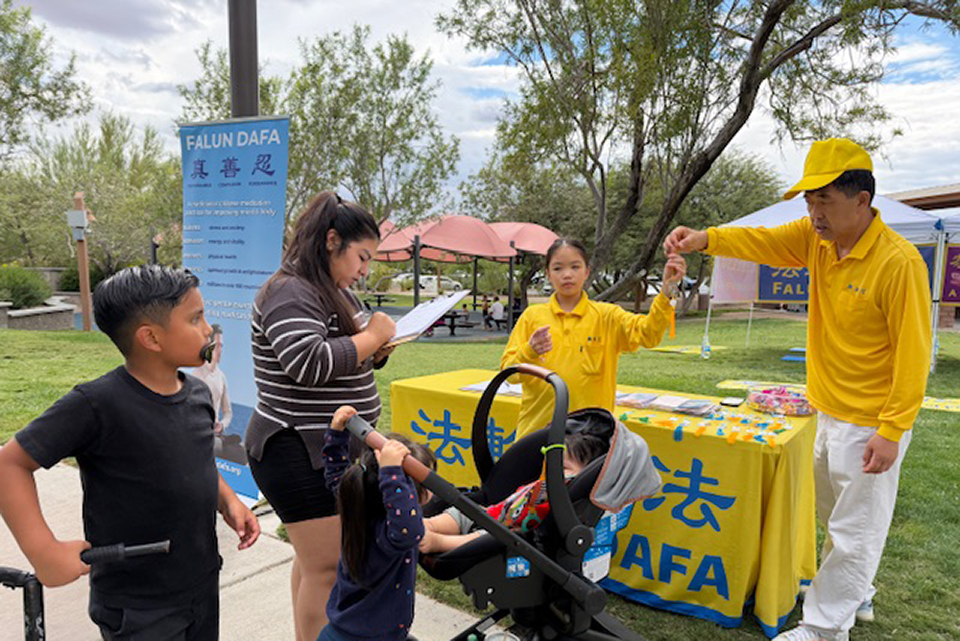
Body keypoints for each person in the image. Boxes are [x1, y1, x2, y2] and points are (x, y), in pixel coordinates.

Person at [663, 139, 932, 641]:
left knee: (855, 532)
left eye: (823, 200)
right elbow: (762, 241)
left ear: (861, 200)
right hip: (826, 410)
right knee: (837, 518)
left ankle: (824, 629)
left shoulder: (899, 264)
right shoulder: (818, 241)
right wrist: (705, 239)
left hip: (871, 420)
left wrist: (892, 430)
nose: (813, 213)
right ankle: (858, 592)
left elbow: (915, 354)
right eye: (809, 201)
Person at [0, 265, 260, 641]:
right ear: (151, 337)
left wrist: (228, 500)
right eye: (196, 318)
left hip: (200, 584)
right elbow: (10, 463)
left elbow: (196, 460)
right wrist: (45, 552)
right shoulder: (97, 405)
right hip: (138, 607)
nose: (208, 330)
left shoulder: (200, 394)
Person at [245, 191, 396, 641]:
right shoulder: (290, 290)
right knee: (327, 569)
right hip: (297, 451)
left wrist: (377, 347)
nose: (365, 270)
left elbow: (348, 350)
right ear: (332, 240)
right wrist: (373, 338)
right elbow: (308, 363)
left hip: (322, 449)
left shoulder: (330, 289)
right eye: (362, 257)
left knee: (314, 564)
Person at [501, 238, 686, 438]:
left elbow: (649, 335)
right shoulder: (532, 317)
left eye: (575, 266)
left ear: (587, 271)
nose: (567, 275)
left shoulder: (607, 316)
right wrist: (530, 351)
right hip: (537, 434)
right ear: (548, 274)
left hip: (589, 440)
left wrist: (668, 289)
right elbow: (508, 374)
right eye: (557, 268)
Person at [316, 405, 437, 641]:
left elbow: (336, 476)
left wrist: (337, 434)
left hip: (345, 631)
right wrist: (392, 472)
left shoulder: (357, 509)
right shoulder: (392, 535)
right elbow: (410, 531)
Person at [420, 430, 609, 554]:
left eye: (565, 468)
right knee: (462, 512)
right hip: (493, 514)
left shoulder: (563, 496)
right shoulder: (541, 484)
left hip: (511, 535)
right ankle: (428, 525)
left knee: (486, 538)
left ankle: (437, 541)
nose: (554, 472)